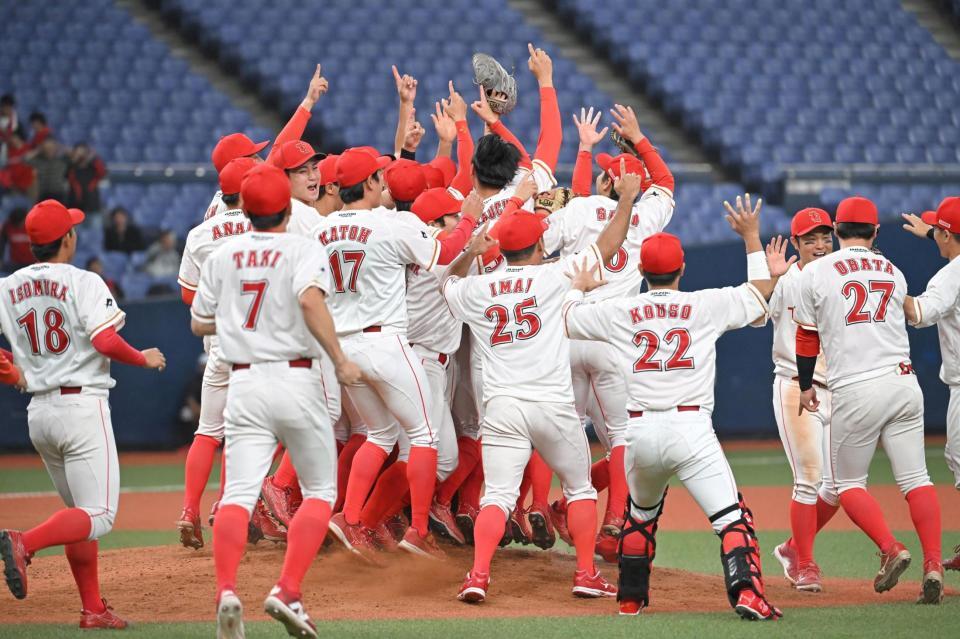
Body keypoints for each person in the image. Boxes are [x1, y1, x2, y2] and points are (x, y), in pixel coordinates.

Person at [563, 194, 783, 619]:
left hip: (640, 432)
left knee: (639, 518)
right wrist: (752, 239)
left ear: (642, 272)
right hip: (691, 429)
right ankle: (748, 595)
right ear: (683, 269)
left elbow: (569, 317)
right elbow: (759, 302)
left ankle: (630, 598)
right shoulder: (703, 305)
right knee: (732, 520)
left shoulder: (622, 310)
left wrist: (579, 285)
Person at [443, 165, 640, 604]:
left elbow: (449, 285)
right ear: (538, 245)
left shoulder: (483, 288)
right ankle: (586, 573)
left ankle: (476, 575)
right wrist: (626, 201)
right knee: (580, 489)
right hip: (551, 403)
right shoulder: (554, 277)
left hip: (503, 407)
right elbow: (609, 245)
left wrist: (470, 249)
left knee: (497, 495)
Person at [190, 163, 360, 639]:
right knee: (321, 491)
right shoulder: (304, 247)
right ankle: (287, 589)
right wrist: (340, 358)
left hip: (244, 383)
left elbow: (198, 323)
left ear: (244, 211)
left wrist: (237, 317)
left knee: (239, 493)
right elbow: (310, 301)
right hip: (296, 379)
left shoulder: (225, 255)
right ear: (287, 207)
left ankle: (227, 591)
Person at [0, 199, 166, 629]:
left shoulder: (8, 285)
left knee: (80, 516)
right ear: (67, 239)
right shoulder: (83, 281)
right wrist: (142, 358)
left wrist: (11, 369)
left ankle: (93, 608)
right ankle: (25, 542)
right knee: (100, 516)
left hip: (39, 413)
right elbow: (106, 342)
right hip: (80, 408)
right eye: (72, 228)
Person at [316, 147, 477, 561]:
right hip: (384, 341)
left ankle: (349, 518)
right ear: (370, 183)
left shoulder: (322, 228)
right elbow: (445, 251)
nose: (383, 181)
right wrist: (472, 218)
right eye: (377, 176)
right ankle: (419, 529)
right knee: (423, 436)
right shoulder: (392, 223)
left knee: (380, 434)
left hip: (343, 346)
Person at [541, 105, 675, 562]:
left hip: (568, 330)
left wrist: (583, 152)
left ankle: (542, 506)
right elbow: (668, 185)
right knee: (621, 437)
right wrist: (639, 139)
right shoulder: (645, 217)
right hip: (615, 338)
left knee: (556, 429)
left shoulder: (578, 208)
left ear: (607, 183)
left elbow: (550, 233)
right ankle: (614, 522)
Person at [794, 196, 943, 604]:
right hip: (904, 382)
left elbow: (807, 337)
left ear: (836, 230)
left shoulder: (816, 271)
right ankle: (933, 564)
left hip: (856, 387)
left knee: (847, 484)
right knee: (917, 480)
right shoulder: (893, 271)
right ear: (876, 232)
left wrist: (806, 384)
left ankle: (890, 548)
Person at [175, 156, 255, 548]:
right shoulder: (266, 224)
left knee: (208, 431)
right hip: (258, 342)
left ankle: (189, 508)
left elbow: (189, 295)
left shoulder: (200, 233)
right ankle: (224, 505)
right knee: (243, 433)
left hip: (220, 343)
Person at [762, 209, 840, 592]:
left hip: (839, 388)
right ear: (795, 244)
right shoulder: (787, 280)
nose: (820, 245)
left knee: (839, 489)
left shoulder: (842, 278)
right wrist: (771, 276)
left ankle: (792, 548)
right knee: (809, 479)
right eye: (810, 239)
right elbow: (757, 313)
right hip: (795, 385)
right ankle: (805, 565)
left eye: (825, 237)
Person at [901, 196, 960, 573]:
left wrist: (881, 286)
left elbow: (920, 313)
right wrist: (933, 234)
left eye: (937, 229)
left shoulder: (949, 276)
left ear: (946, 233)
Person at [66, 143, 107, 213]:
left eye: (83, 152)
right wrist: (72, 160)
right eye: (78, 153)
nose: (81, 155)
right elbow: (65, 175)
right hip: (76, 206)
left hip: (92, 206)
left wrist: (94, 158)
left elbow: (102, 172)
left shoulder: (93, 167)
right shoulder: (72, 168)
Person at [28, 137, 69, 202]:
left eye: (51, 148)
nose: (50, 150)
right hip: (43, 194)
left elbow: (73, 155)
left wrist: (60, 147)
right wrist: (38, 150)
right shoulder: (39, 161)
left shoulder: (62, 160)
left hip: (59, 194)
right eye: (47, 148)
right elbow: (25, 159)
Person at [1, 207, 35, 271]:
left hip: (31, 263)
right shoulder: (7, 227)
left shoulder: (33, 226)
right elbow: (2, 244)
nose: (19, 225)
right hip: (15, 264)